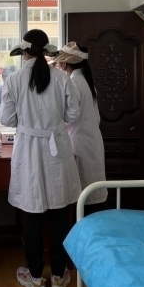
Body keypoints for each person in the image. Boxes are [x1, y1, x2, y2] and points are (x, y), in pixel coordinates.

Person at [0, 30, 82, 287]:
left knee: (31, 213)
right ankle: (58, 277)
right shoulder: (61, 78)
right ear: (46, 51)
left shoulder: (13, 80)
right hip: (56, 148)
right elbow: (73, 114)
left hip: (28, 150)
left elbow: (6, 120)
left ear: (24, 52)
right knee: (59, 213)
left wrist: (28, 121)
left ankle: (36, 278)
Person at [53, 42, 107, 208]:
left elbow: (70, 115)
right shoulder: (85, 81)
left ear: (64, 64)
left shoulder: (74, 83)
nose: (58, 65)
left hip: (80, 141)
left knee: (83, 192)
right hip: (91, 139)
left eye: (59, 62)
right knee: (91, 185)